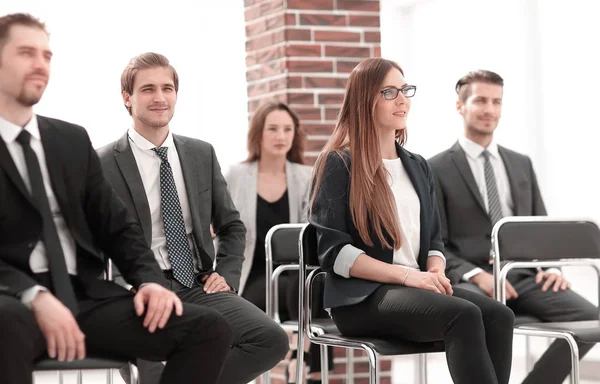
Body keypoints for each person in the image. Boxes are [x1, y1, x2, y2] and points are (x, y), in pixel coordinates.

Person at [0, 13, 233, 384]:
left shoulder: (69, 141)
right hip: (11, 300)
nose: (40, 64)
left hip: (84, 297)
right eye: (26, 52)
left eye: (47, 55)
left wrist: (149, 281)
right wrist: (34, 295)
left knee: (208, 328)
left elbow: (117, 225)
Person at [309, 57, 515, 384]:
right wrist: (408, 277)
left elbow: (434, 239)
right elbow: (336, 254)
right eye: (389, 92)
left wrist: (434, 271)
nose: (402, 99)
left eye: (405, 90)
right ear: (365, 100)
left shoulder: (417, 165)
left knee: (499, 315)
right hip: (361, 298)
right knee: (463, 315)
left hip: (415, 287)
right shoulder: (338, 163)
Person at [97, 52, 289, 384]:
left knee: (270, 340)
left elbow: (231, 226)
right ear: (127, 98)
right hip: (138, 289)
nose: (160, 98)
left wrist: (226, 275)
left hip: (197, 283)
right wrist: (121, 287)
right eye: (148, 89)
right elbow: (90, 242)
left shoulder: (201, 153)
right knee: (150, 370)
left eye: (167, 88)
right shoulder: (101, 163)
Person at [428, 69, 598, 384]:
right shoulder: (435, 168)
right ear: (460, 106)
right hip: (472, 281)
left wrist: (550, 268)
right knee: (476, 319)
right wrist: (478, 276)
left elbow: (539, 228)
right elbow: (435, 242)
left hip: (524, 276)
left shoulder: (521, 163)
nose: (489, 110)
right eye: (480, 100)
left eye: (497, 102)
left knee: (592, 317)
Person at [225, 101, 329, 383]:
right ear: (258, 133)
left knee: (307, 281)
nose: (280, 136)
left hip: (296, 274)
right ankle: (305, 363)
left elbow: (314, 233)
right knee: (300, 286)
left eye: (287, 129)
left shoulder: (305, 176)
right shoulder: (236, 175)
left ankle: (300, 357)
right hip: (253, 275)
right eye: (272, 129)